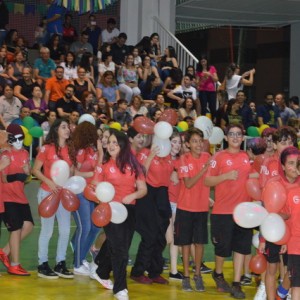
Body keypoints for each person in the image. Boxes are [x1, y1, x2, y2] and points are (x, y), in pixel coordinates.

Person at [92, 130, 147, 300]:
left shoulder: (134, 164)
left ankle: (100, 271)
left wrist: (133, 195)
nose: (111, 145)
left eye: (115, 142)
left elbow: (143, 189)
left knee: (117, 245)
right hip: (111, 210)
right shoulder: (104, 165)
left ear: (123, 145)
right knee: (120, 250)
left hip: (129, 210)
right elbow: (95, 186)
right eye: (109, 142)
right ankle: (120, 288)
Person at [205, 124, 253, 299]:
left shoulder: (246, 157)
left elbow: (251, 178)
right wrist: (225, 176)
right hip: (222, 211)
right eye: (231, 134)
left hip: (244, 212)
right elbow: (207, 181)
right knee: (223, 248)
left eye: (238, 134)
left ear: (242, 138)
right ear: (226, 138)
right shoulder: (219, 156)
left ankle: (237, 283)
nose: (235, 137)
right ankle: (218, 274)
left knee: (241, 247)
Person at [32, 118, 76, 279]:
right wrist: (49, 182)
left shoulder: (71, 149)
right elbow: (35, 170)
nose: (67, 130)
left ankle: (60, 263)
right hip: (47, 193)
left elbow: (70, 172)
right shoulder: (46, 148)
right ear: (56, 129)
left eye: (68, 127)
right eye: (63, 127)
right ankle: (42, 264)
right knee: (47, 230)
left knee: (65, 230)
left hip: (63, 194)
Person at [130, 129, 175, 286]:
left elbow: (170, 176)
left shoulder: (168, 156)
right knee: (149, 235)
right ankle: (137, 272)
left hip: (162, 195)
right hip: (147, 194)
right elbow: (140, 174)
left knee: (160, 236)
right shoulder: (144, 152)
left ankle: (155, 271)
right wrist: (150, 157)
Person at [175, 128, 211, 291]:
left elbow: (210, 180)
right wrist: (203, 170)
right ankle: (187, 276)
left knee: (200, 243)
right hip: (185, 207)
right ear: (188, 144)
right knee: (185, 242)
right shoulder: (183, 159)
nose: (198, 144)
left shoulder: (208, 157)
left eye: (200, 140)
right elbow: (188, 184)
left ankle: (198, 275)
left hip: (202, 208)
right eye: (194, 141)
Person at [0, 124, 33, 276]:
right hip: (7, 196)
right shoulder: (5, 154)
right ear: (11, 139)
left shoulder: (25, 153)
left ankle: (5, 251)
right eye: (16, 138)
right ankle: (15, 264)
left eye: (22, 138)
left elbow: (27, 178)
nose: (19, 141)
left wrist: (27, 174)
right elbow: (5, 179)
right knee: (16, 228)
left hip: (20, 195)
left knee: (29, 226)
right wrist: (19, 176)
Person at [71, 121, 102, 275]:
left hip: (92, 192)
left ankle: (81, 257)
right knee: (86, 227)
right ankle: (77, 264)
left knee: (95, 227)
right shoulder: (82, 151)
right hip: (80, 191)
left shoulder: (94, 151)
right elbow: (75, 173)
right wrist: (92, 174)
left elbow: (100, 169)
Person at [281, 148, 300, 300]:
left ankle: (280, 294)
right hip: (296, 246)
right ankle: (280, 294)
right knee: (296, 285)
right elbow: (286, 218)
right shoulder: (292, 193)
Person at [165, 130, 183, 281]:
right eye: (174, 142)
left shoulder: (180, 161)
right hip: (166, 203)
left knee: (175, 238)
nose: (177, 145)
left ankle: (174, 271)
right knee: (169, 238)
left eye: (179, 142)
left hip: (179, 203)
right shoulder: (162, 159)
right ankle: (151, 262)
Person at [196, 54, 218, 118]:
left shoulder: (212, 68)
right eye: (201, 61)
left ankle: (214, 121)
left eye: (204, 60)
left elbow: (216, 79)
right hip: (203, 91)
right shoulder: (198, 71)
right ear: (200, 62)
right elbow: (197, 84)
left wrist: (210, 75)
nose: (203, 62)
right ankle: (203, 122)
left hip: (212, 91)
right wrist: (202, 79)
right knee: (203, 107)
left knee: (212, 107)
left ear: (207, 61)